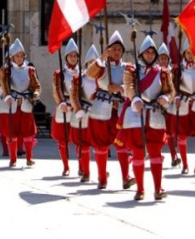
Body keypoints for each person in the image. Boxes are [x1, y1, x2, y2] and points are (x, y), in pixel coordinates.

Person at [122, 34, 175, 201]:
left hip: (155, 115)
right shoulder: (132, 70)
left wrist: (165, 98)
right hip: (136, 115)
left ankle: (158, 188)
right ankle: (140, 189)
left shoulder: (164, 73)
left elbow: (171, 91)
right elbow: (129, 87)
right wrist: (135, 99)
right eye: (147, 53)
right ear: (142, 54)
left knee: (155, 153)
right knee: (138, 153)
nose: (150, 55)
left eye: (153, 53)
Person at [85, 30, 136, 190]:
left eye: (119, 49)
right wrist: (102, 58)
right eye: (113, 49)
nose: (116, 52)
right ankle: (102, 178)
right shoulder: (101, 66)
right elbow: (89, 74)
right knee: (101, 145)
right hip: (102, 109)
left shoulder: (128, 67)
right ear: (108, 50)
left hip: (120, 110)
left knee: (122, 144)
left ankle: (126, 178)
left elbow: (134, 85)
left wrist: (120, 88)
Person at [166, 38, 195, 175]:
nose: (190, 56)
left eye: (192, 53)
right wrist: (177, 97)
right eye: (188, 53)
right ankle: (185, 165)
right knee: (182, 135)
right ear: (184, 54)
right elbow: (173, 85)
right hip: (183, 104)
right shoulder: (177, 69)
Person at [0, 38, 41, 168]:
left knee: (28, 131)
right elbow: (3, 84)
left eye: (21, 56)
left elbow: (36, 85)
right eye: (17, 56)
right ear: (12, 57)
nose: (20, 58)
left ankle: (29, 157)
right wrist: (7, 95)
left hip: (26, 102)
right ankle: (13, 158)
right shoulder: (7, 70)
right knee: (11, 131)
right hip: (13, 102)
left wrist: (36, 93)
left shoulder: (30, 70)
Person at [70, 44, 99, 183]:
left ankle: (102, 173)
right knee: (84, 145)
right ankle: (86, 171)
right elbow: (74, 95)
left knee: (100, 145)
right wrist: (78, 108)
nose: (92, 65)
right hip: (84, 112)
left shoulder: (102, 77)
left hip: (99, 113)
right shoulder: (79, 78)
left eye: (95, 62)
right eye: (90, 62)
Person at [51, 38, 79, 177]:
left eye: (75, 56)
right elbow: (56, 88)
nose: (73, 58)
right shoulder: (59, 73)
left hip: (77, 107)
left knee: (80, 138)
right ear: (66, 57)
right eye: (71, 56)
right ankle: (66, 166)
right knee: (63, 139)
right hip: (64, 106)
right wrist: (61, 102)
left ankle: (82, 166)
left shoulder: (82, 73)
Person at [158, 42, 181, 168]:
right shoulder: (154, 71)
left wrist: (175, 97)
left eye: (165, 58)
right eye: (161, 58)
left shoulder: (173, 71)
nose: (163, 60)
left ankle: (174, 156)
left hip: (170, 104)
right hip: (158, 104)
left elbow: (176, 86)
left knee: (171, 132)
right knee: (158, 131)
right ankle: (157, 155)